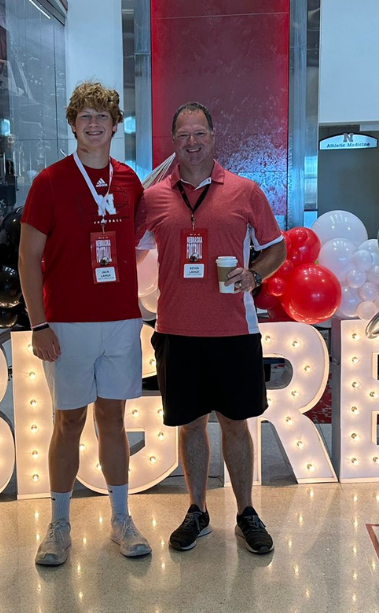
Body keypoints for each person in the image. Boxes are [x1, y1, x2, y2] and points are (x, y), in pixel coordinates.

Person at [136, 102, 286, 554]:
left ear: (214, 137)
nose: (192, 142)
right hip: (177, 332)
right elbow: (127, 250)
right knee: (189, 427)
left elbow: (276, 249)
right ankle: (197, 510)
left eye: (200, 133)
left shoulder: (246, 192)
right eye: (183, 135)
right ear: (174, 142)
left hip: (234, 332)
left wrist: (255, 275)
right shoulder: (154, 198)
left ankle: (245, 512)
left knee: (236, 424)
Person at [19, 82, 151, 566]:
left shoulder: (129, 181)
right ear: (72, 124)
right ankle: (58, 526)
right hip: (67, 321)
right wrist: (38, 324)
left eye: (102, 116)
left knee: (114, 419)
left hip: (119, 319)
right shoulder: (50, 182)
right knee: (68, 421)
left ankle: (121, 519)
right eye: (84, 116)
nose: (93, 124)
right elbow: (28, 258)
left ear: (116, 125)